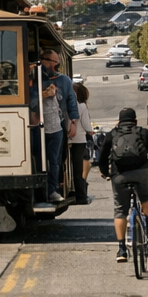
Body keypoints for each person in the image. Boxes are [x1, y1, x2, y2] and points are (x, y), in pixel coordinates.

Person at [99, 106, 148, 262]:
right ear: (135, 121)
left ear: (119, 122)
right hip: (142, 172)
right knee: (146, 198)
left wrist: (106, 173)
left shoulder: (113, 134)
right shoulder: (143, 132)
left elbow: (102, 157)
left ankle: (122, 249)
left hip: (119, 175)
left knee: (120, 210)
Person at [37, 49, 78, 204]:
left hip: (57, 125)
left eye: (56, 63)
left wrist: (73, 123)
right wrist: (43, 95)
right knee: (37, 158)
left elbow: (71, 101)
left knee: (54, 159)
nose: (54, 67)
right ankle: (40, 190)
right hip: (34, 125)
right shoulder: (33, 77)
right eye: (53, 63)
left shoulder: (64, 80)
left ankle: (53, 189)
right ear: (44, 61)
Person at [69, 83, 93, 205]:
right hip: (79, 139)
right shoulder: (82, 106)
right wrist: (90, 131)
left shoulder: (68, 105)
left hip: (68, 138)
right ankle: (81, 195)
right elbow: (86, 124)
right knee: (78, 168)